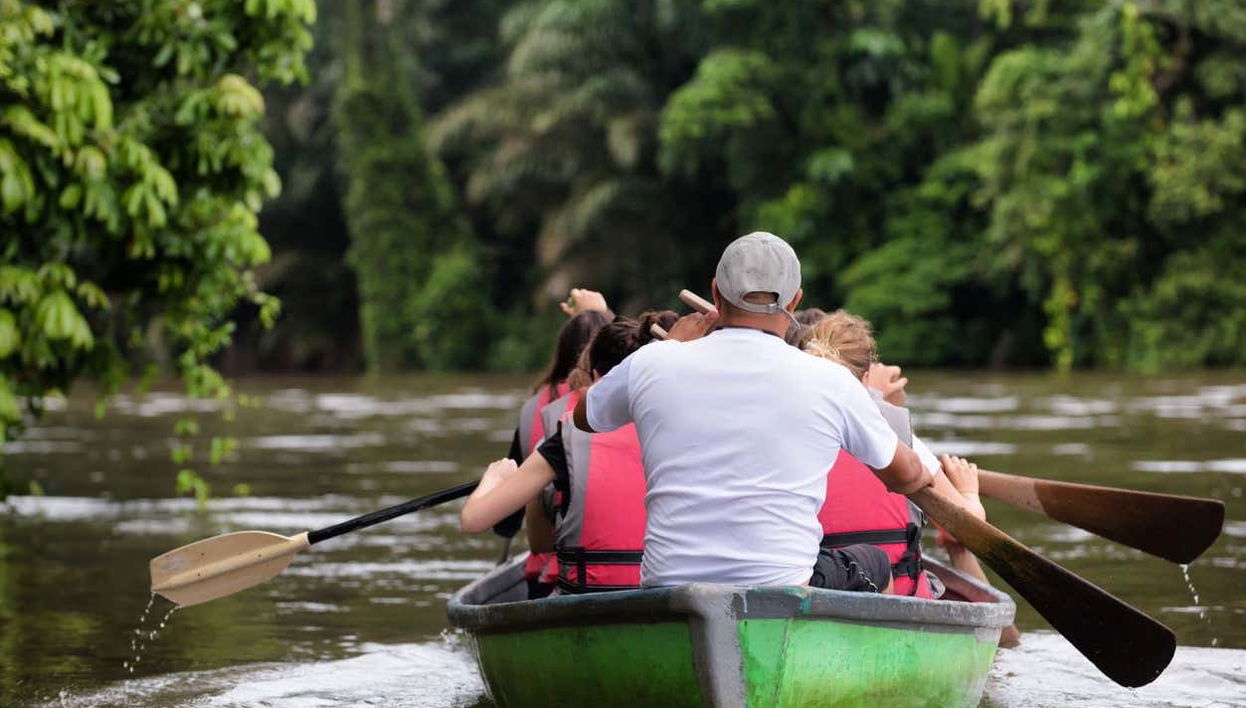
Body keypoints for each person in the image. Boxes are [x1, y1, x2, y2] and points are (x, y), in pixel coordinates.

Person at [573, 232, 931, 593]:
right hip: (783, 587)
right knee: (876, 565)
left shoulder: (652, 361)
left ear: (715, 293)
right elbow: (905, 476)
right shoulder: (830, 379)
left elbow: (585, 416)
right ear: (794, 299)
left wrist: (673, 346)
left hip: (668, 588)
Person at [461, 312, 678, 593]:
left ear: (596, 376)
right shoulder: (683, 428)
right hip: (666, 591)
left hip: (588, 596)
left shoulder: (566, 437)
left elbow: (474, 521)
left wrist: (494, 478)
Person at [802, 310, 983, 598]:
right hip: (902, 595)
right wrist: (969, 491)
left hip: (821, 590)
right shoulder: (897, 432)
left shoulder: (792, 432)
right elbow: (970, 528)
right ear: (865, 376)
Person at [496, 297, 611, 590]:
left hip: (554, 571)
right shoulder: (629, 404)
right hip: (620, 568)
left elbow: (505, 523)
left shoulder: (535, 409)